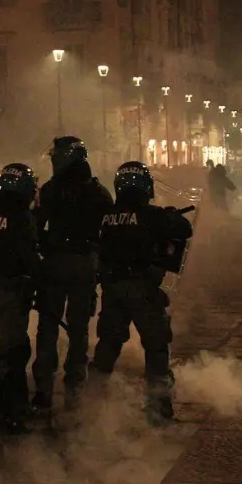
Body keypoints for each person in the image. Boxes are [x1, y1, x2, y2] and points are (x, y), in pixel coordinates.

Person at [91, 161, 193, 426]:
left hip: (112, 289)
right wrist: (169, 215)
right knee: (156, 348)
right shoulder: (152, 215)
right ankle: (158, 409)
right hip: (142, 290)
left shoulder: (107, 216)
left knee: (108, 346)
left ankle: (90, 407)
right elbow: (184, 228)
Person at [33, 137, 112, 417]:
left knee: (49, 326)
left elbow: (34, 228)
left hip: (55, 264)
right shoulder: (99, 192)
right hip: (85, 265)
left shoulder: (50, 191)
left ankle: (43, 390)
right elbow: (109, 234)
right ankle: (74, 392)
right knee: (79, 330)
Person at [0, 163, 41, 431]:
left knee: (14, 345)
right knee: (13, 349)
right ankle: (2, 410)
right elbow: (27, 256)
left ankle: (12, 407)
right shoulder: (21, 217)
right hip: (12, 289)